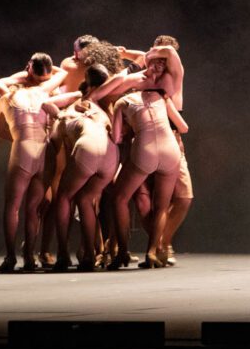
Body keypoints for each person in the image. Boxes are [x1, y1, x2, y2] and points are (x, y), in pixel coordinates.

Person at [0, 53, 75, 272]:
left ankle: (10, 257)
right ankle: (29, 257)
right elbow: (63, 73)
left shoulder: (6, 97)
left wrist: (18, 137)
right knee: (34, 208)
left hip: (23, 148)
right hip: (44, 149)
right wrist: (38, 74)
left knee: (12, 206)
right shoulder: (44, 93)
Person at [109, 76, 189, 270]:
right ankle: (153, 251)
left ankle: (121, 253)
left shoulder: (123, 101)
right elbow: (184, 127)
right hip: (171, 149)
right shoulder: (161, 97)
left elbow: (116, 137)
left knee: (119, 198)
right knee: (161, 206)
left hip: (146, 148)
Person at [45, 64, 119, 271]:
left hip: (88, 147)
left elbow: (53, 142)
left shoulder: (67, 113)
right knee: (86, 199)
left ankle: (61, 254)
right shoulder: (102, 111)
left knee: (63, 197)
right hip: (111, 154)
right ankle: (90, 254)